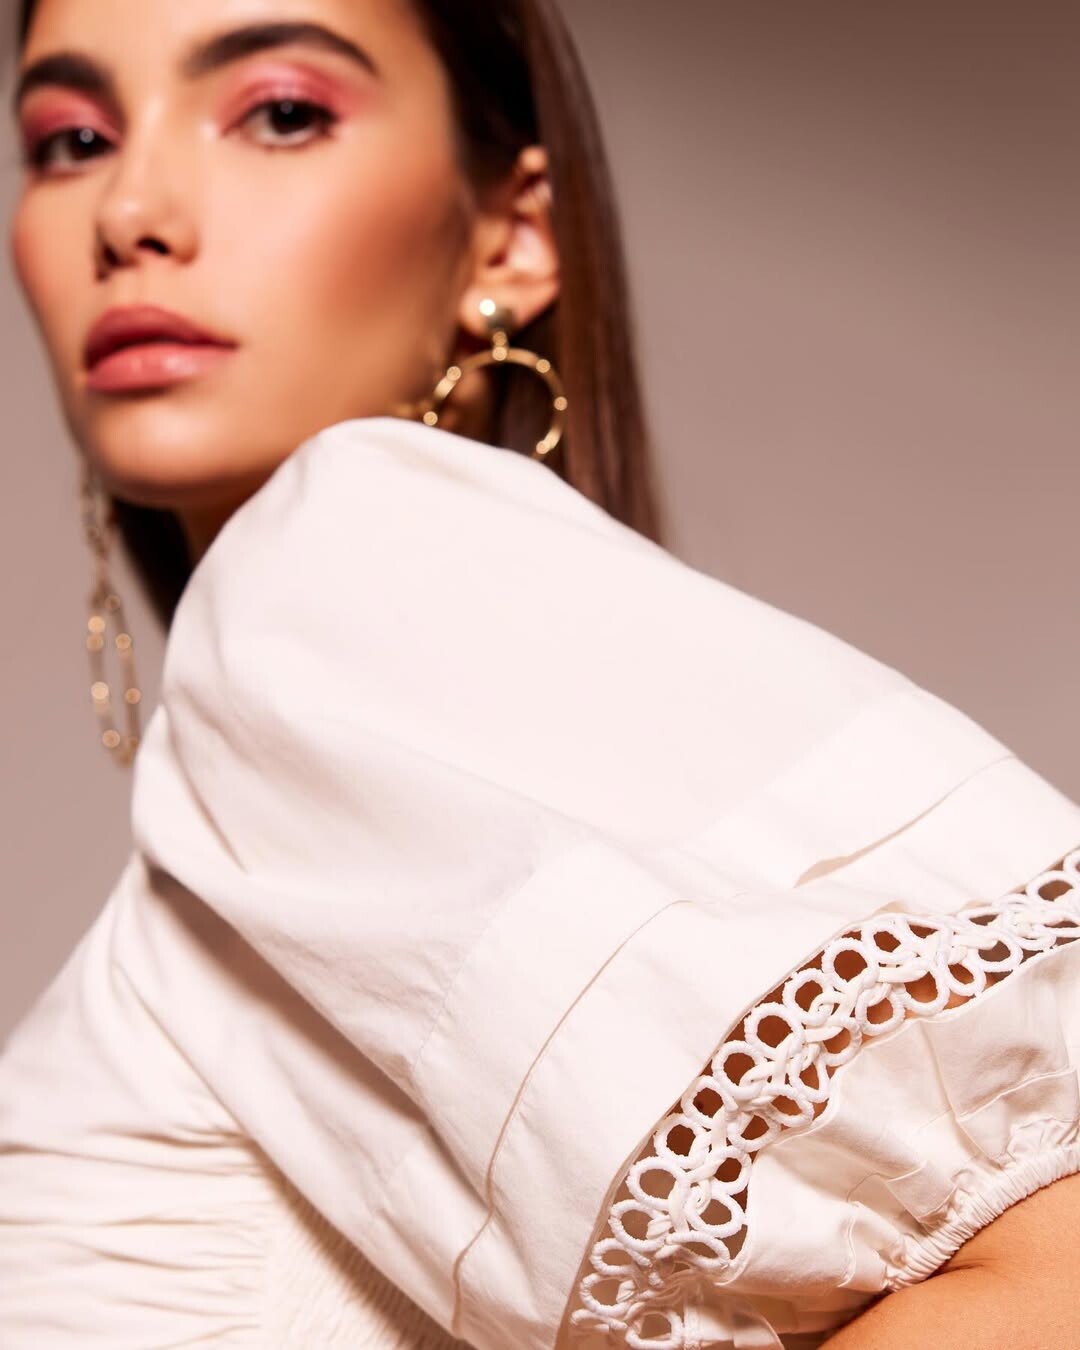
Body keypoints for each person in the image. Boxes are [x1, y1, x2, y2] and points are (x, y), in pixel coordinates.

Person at [2, 2, 1079, 1348]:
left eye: (280, 114)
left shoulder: (338, 559)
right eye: (72, 139)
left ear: (510, 238)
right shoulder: (302, 782)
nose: (131, 213)